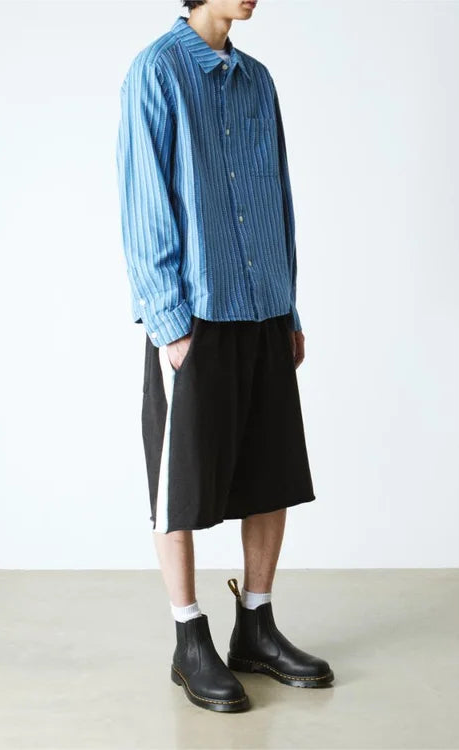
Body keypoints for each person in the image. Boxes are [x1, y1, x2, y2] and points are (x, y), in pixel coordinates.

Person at [115, 0, 334, 712]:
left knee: (270, 474)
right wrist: (170, 325)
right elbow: (143, 201)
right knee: (177, 485)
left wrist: (288, 305)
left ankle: (256, 628)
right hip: (195, 316)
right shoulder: (156, 72)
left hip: (263, 304)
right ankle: (188, 637)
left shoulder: (258, 80)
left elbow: (279, 198)